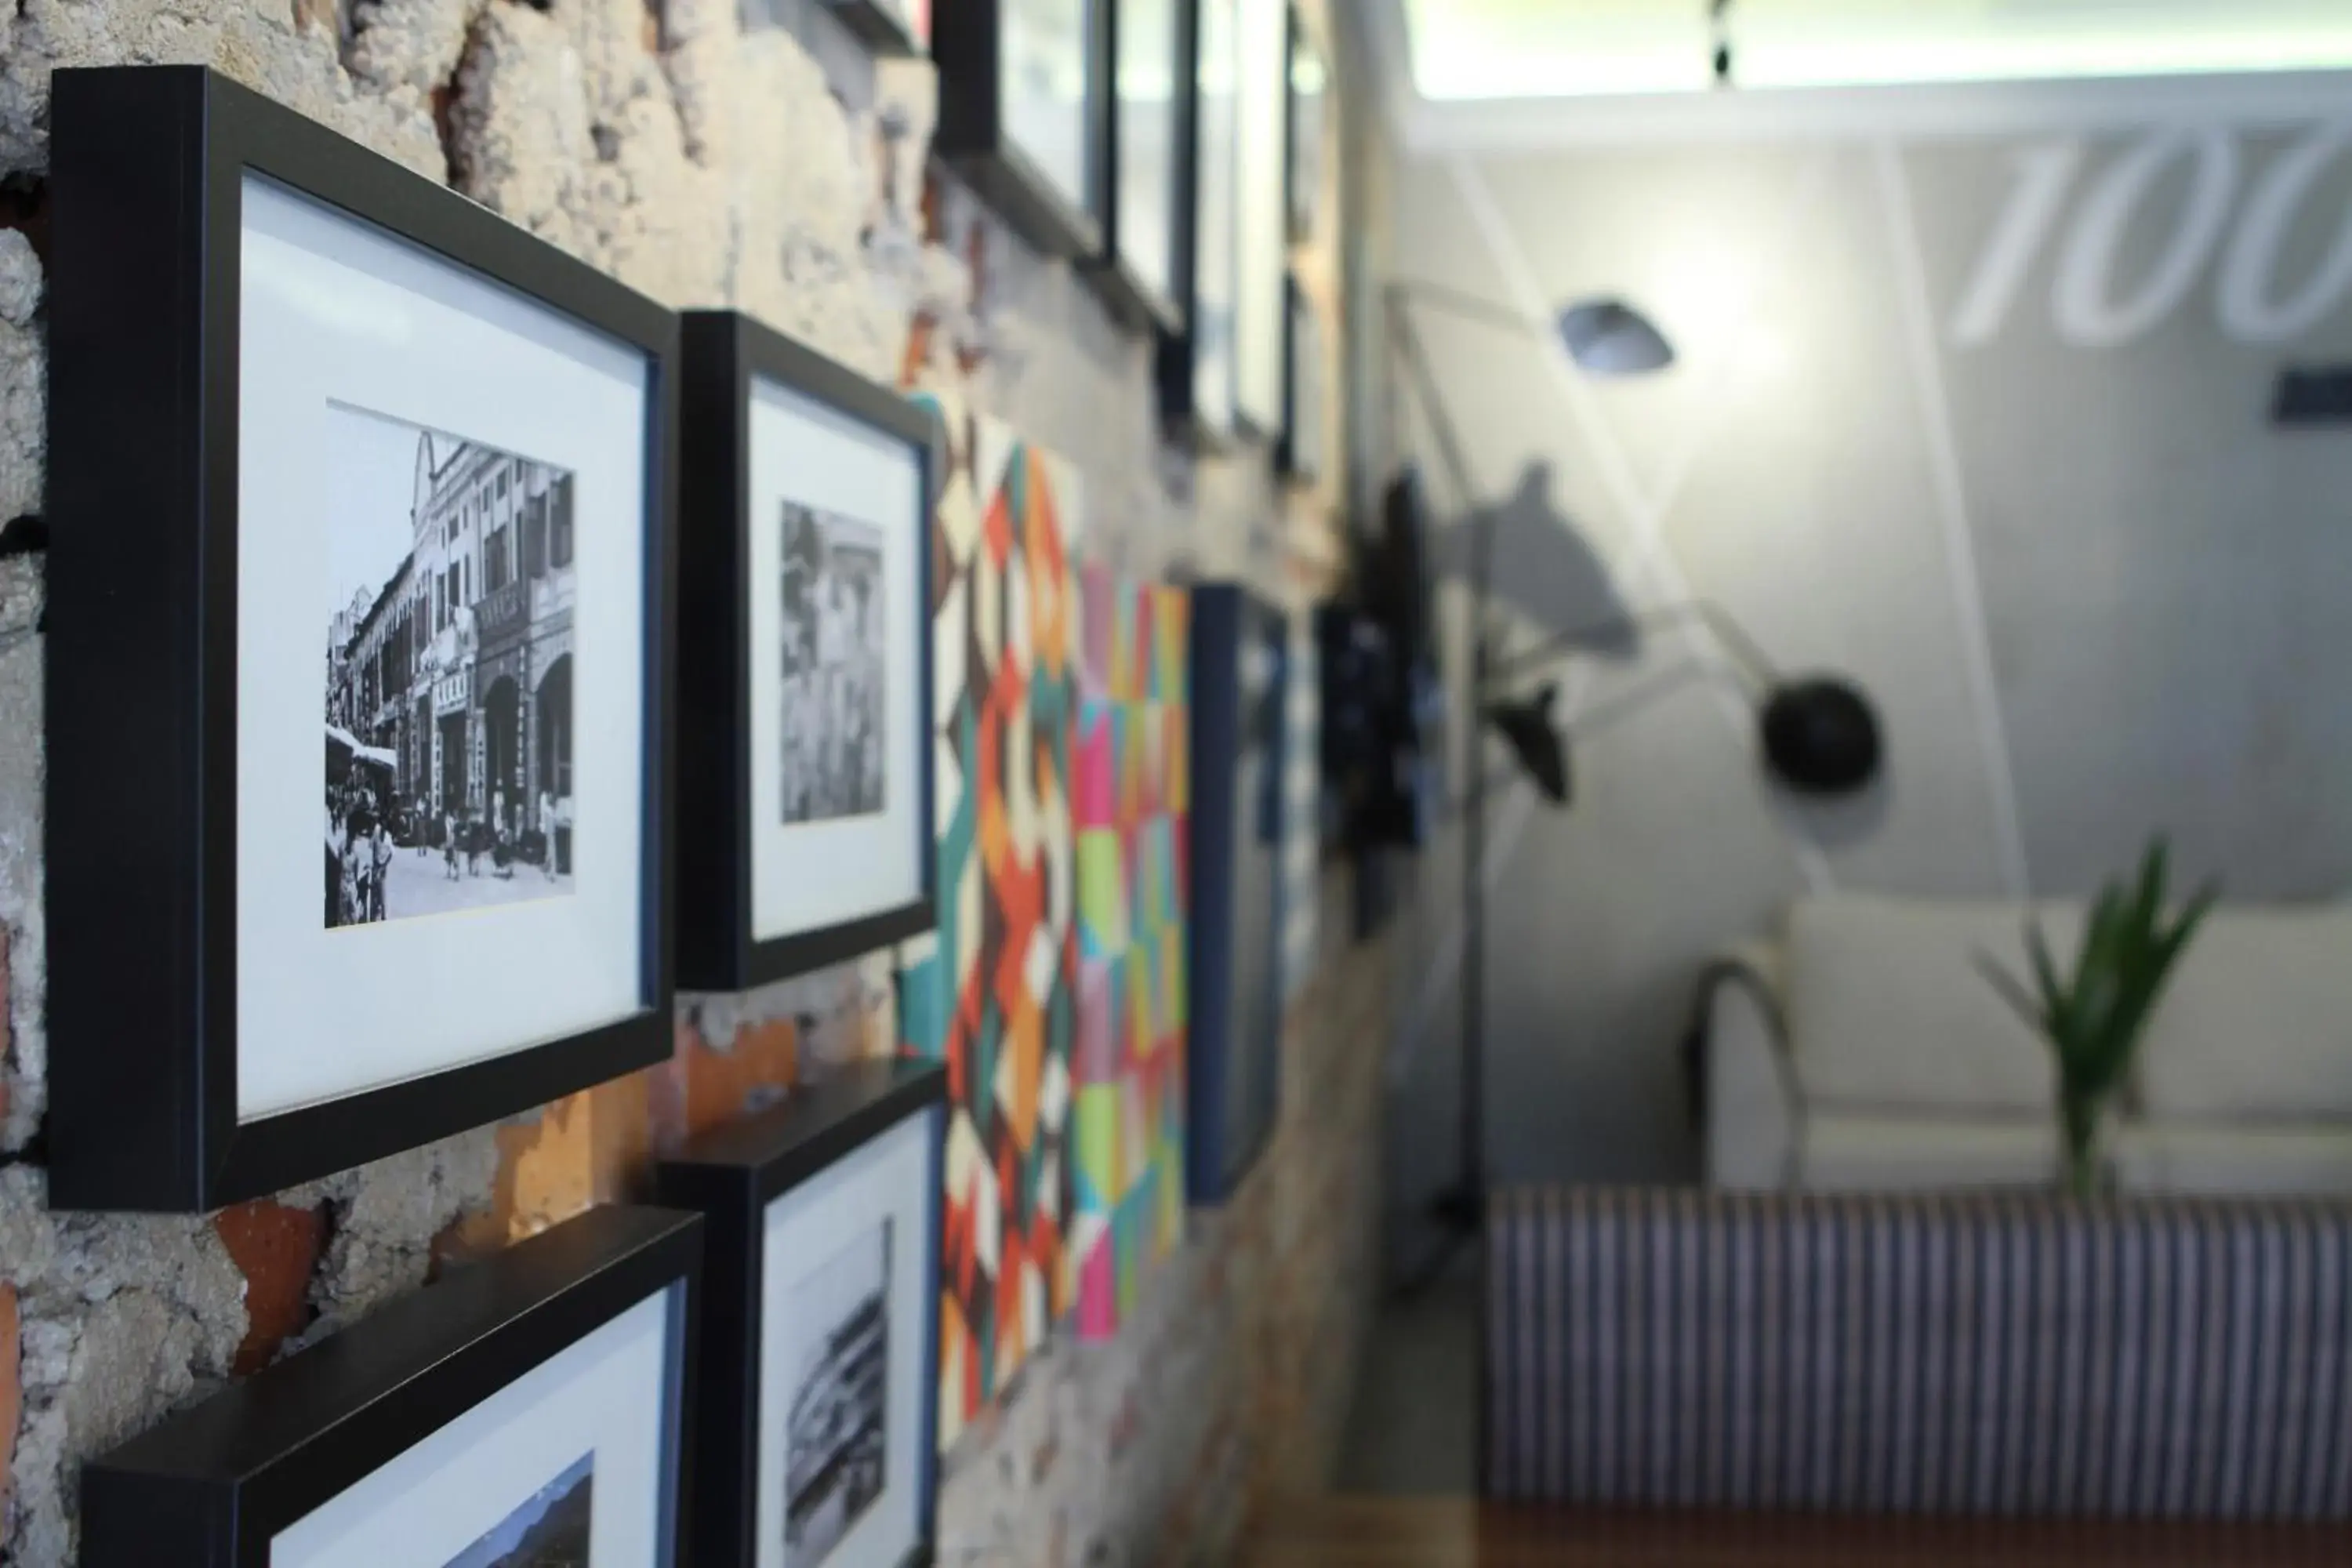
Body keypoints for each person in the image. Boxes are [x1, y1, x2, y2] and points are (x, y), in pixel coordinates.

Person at [370, 816, 394, 920]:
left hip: (383, 866)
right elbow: (373, 846)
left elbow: (391, 854)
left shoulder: (388, 837)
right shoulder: (376, 833)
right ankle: (374, 912)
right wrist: (374, 864)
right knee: (374, 888)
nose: (382, 829)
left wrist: (384, 866)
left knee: (382, 889)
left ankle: (384, 915)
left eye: (384, 827)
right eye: (381, 826)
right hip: (376, 864)